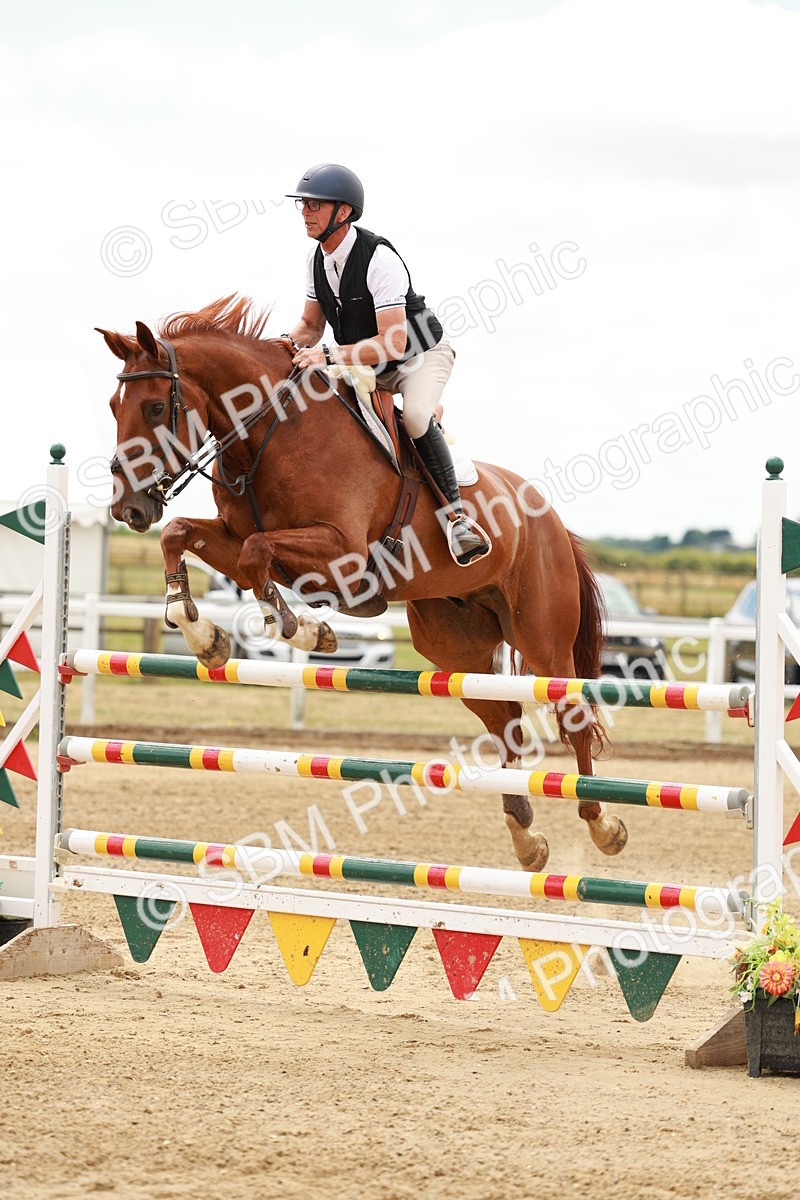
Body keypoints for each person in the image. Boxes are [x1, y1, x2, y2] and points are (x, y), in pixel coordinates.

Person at [285, 162, 490, 567]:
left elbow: (393, 340)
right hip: (370, 365)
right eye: (303, 204)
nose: (306, 212)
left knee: (413, 416)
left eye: (315, 204)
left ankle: (456, 518)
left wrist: (327, 355)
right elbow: (311, 325)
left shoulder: (379, 258)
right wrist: (282, 347)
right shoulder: (316, 261)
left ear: (343, 212)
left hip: (419, 354)